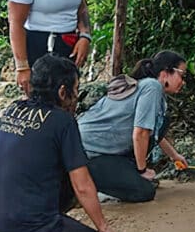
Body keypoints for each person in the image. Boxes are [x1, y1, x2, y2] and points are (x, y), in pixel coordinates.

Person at [0, 55, 121, 232]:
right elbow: (82, 185)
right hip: (24, 223)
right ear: (63, 92)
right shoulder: (62, 122)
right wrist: (103, 228)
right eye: (75, 90)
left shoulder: (13, 110)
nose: (75, 98)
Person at [78, 51, 189, 202]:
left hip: (104, 151)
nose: (183, 82)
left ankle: (118, 177)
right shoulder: (152, 87)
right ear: (165, 73)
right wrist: (142, 170)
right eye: (182, 75)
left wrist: (174, 156)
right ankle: (90, 182)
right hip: (89, 152)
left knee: (163, 123)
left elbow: (152, 131)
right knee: (144, 192)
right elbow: (141, 133)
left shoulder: (154, 92)